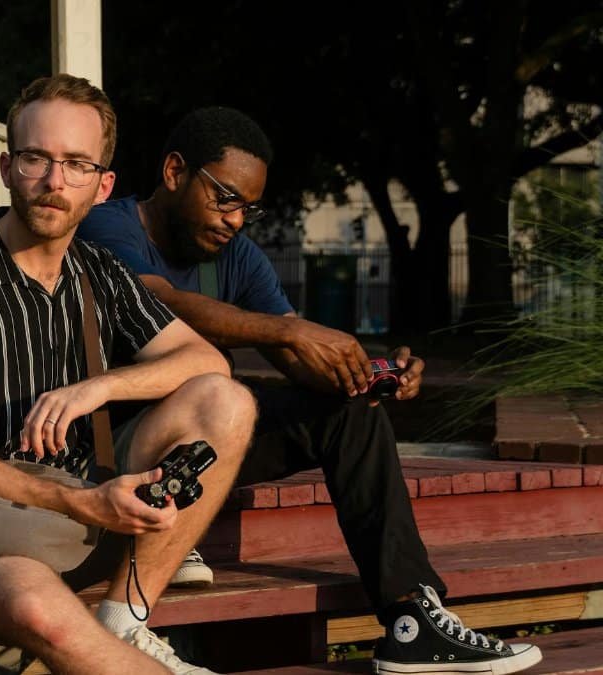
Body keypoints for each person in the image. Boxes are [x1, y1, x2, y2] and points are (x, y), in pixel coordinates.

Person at [77, 106, 543, 674]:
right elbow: (152, 300)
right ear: (175, 172)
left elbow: (298, 361)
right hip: (115, 451)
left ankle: (409, 621)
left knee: (351, 413)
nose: (236, 221)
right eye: (225, 198)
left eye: (248, 208)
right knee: (213, 386)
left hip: (208, 452)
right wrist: (289, 328)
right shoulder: (107, 227)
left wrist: (368, 375)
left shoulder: (236, 257)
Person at [0, 74, 257, 675]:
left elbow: (206, 360)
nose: (55, 182)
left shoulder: (99, 272)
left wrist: (99, 387)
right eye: (37, 158)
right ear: (7, 168)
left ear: (102, 184)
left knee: (226, 401)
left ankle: (125, 621)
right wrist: (86, 503)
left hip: (79, 513)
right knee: (37, 609)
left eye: (78, 164)